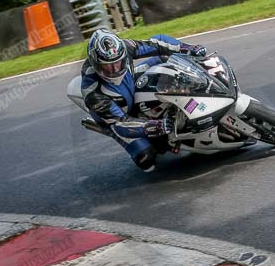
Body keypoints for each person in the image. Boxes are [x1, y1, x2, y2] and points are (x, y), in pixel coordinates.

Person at [81, 29, 207, 172]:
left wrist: (188, 48)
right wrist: (153, 126)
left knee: (165, 58)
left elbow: (155, 43)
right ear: (95, 63)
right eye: (107, 66)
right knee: (147, 159)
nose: (115, 68)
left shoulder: (124, 47)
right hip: (116, 115)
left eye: (118, 62)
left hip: (130, 83)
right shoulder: (92, 93)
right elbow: (121, 123)